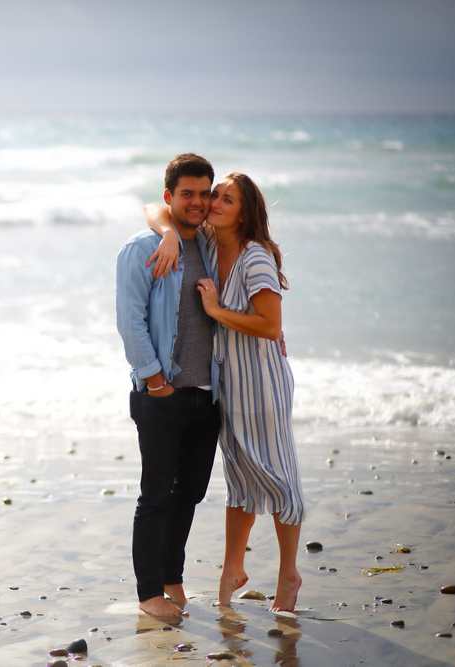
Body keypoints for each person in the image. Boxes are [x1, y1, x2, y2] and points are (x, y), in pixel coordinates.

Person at [144, 171, 305, 612]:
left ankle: (289, 573)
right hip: (228, 381)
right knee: (241, 473)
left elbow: (270, 326)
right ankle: (233, 568)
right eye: (216, 195)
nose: (213, 203)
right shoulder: (212, 244)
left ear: (245, 212)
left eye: (226, 199)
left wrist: (216, 309)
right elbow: (152, 208)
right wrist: (167, 235)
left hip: (263, 381)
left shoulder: (255, 258)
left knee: (276, 472)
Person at [115, 153, 222, 622]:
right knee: (157, 492)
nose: (196, 202)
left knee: (191, 491)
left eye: (204, 193)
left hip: (207, 392)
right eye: (187, 194)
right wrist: (154, 379)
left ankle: (172, 576)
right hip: (161, 393)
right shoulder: (142, 249)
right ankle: (147, 591)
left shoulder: (214, 248)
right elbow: (130, 320)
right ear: (169, 197)